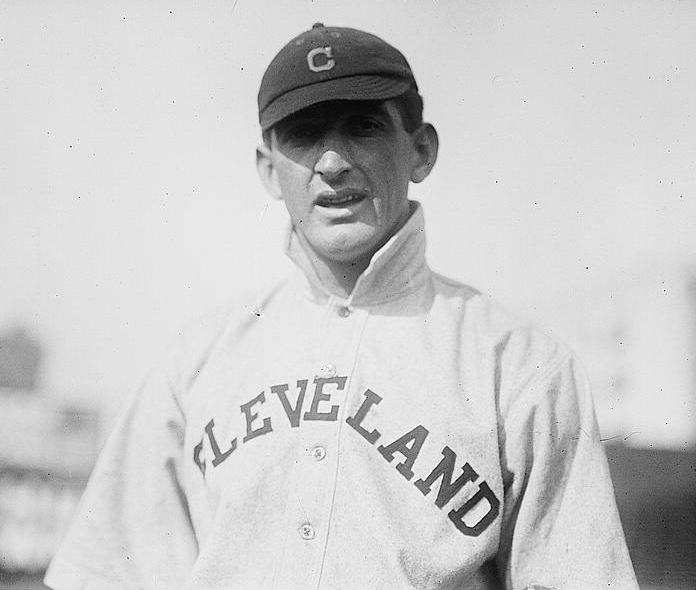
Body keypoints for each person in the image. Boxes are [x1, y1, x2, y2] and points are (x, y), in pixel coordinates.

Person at [45, 23, 638, 590]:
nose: (332, 163)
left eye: (362, 127)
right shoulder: (195, 363)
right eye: (303, 136)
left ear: (421, 150)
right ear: (268, 169)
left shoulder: (520, 366)